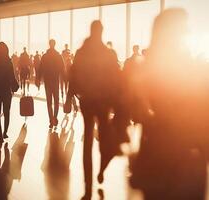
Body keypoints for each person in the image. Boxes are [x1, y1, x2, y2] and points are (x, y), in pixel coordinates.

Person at [128, 9, 209, 199]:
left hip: (156, 156)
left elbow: (133, 106)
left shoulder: (148, 66)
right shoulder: (186, 68)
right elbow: (202, 111)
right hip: (187, 157)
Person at [66, 21, 129, 199]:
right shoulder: (108, 54)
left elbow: (73, 75)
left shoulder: (81, 52)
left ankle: (88, 186)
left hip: (87, 101)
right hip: (103, 102)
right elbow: (117, 80)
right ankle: (101, 170)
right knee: (103, 138)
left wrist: (70, 97)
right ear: (101, 32)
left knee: (87, 141)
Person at [37, 39, 65, 128]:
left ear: (49, 44)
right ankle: (55, 118)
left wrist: (38, 79)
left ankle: (51, 120)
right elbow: (62, 69)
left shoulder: (45, 56)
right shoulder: (58, 56)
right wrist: (65, 79)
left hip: (47, 82)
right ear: (54, 44)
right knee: (56, 101)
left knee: (49, 102)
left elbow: (40, 69)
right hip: (55, 81)